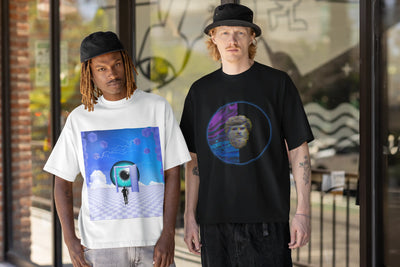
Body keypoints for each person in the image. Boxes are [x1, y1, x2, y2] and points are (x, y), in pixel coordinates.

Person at [180, 3, 314, 266]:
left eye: (240, 32)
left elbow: (299, 150)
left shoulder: (277, 83)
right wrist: (189, 217)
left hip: (267, 221)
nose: (232, 40)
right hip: (214, 222)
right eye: (225, 33)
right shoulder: (200, 92)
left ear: (252, 37)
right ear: (214, 38)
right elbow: (192, 159)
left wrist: (303, 212)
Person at [44, 31, 190, 267]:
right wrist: (70, 240)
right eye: (101, 68)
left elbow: (173, 173)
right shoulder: (80, 119)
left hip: (153, 244)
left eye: (117, 64)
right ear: (89, 74)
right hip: (100, 248)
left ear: (127, 64)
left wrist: (169, 234)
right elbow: (61, 183)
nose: (111, 73)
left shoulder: (156, 108)